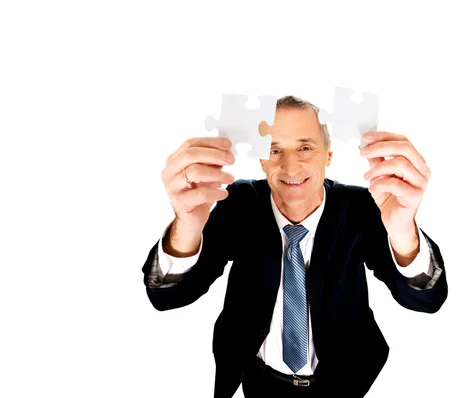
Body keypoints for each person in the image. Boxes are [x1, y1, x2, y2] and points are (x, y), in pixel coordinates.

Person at [141, 95, 448, 398]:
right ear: (261, 159)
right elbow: (168, 297)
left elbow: (425, 300)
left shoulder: (361, 208)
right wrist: (186, 226)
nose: (290, 166)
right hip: (258, 380)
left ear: (328, 154)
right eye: (275, 150)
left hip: (342, 382)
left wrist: (403, 229)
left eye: (305, 147)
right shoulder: (238, 204)